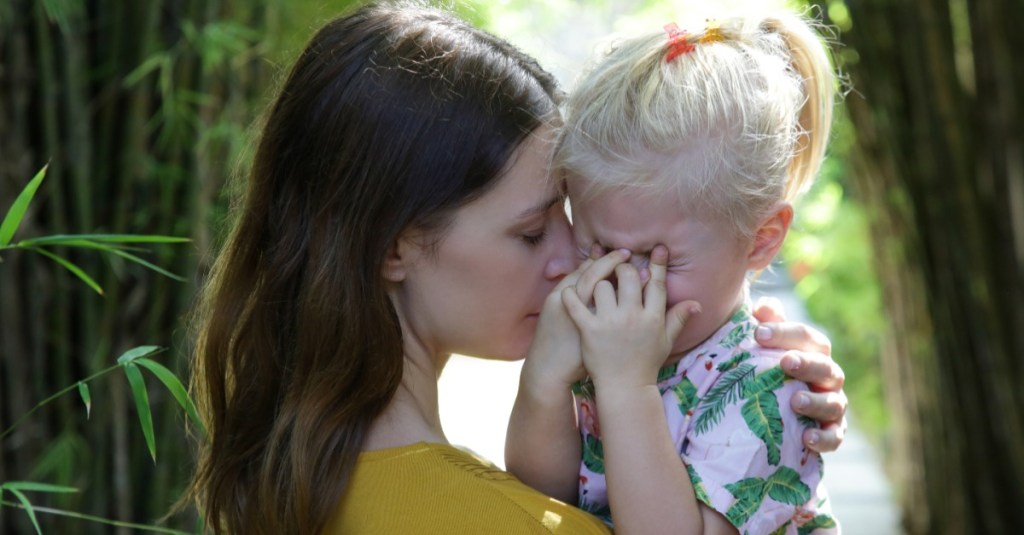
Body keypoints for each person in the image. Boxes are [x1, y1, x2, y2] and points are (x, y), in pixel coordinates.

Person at [186, 3, 847, 534]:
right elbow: (539, 485)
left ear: (761, 240)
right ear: (394, 246)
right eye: (533, 232)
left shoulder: (294, 483)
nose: (575, 266)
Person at [507, 10, 841, 535]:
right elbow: (540, 502)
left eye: (660, 259)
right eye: (598, 248)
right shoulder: (610, 339)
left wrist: (625, 387)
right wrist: (545, 380)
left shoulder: (767, 386)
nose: (626, 283)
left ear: (761, 240)